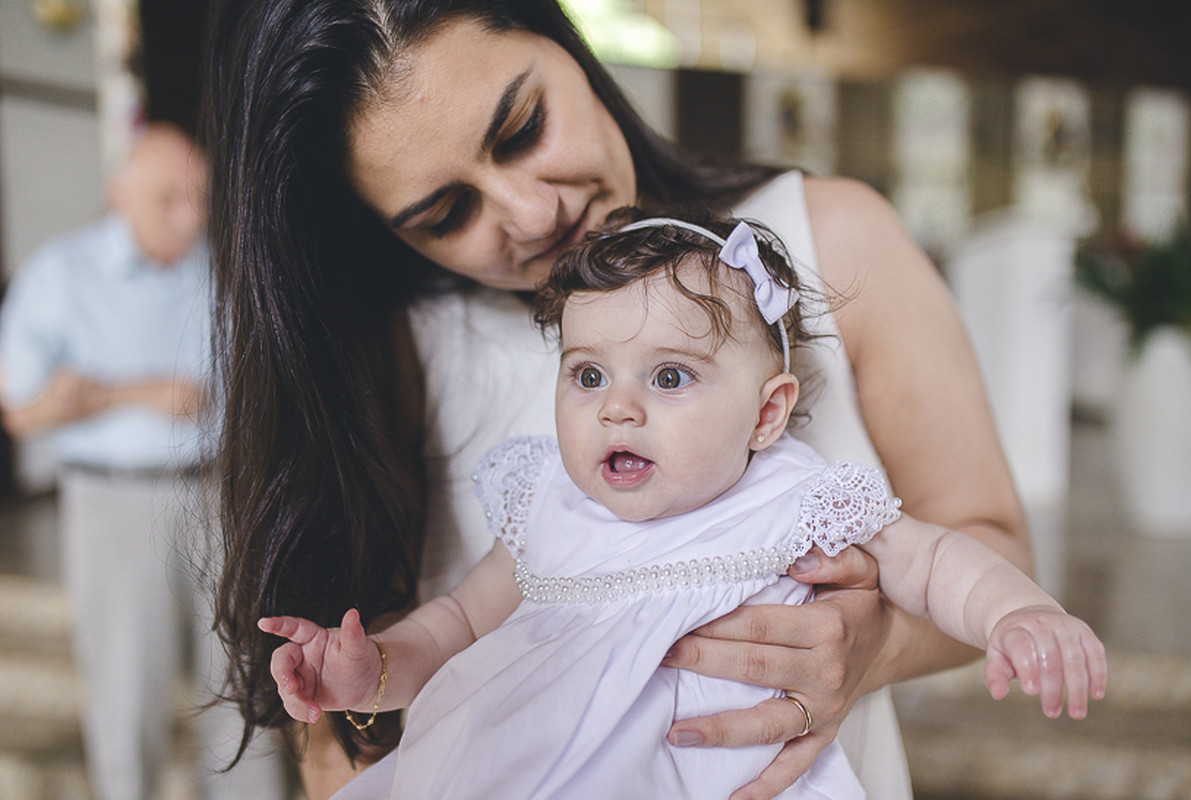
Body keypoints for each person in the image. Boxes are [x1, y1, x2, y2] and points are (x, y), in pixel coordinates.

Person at [204, 2, 1034, 798]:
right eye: (448, 213)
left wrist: (871, 647)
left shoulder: (831, 240)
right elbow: (348, 735)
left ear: (561, 39)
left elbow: (992, 547)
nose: (533, 213)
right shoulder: (389, 348)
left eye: (524, 127)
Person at [258, 211, 1106, 800]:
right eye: (589, 375)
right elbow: (453, 628)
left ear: (766, 413)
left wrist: (1017, 613)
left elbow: (930, 558)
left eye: (670, 377)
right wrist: (372, 671)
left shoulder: (791, 496)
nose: (617, 408)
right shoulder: (548, 501)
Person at [0, 123, 285, 800]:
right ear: (120, 195)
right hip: (115, 501)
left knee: (241, 680)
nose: (188, 216)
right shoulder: (60, 273)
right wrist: (134, 392)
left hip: (221, 492)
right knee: (128, 687)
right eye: (168, 199)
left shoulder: (216, 269)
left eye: (198, 198)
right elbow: (22, 409)